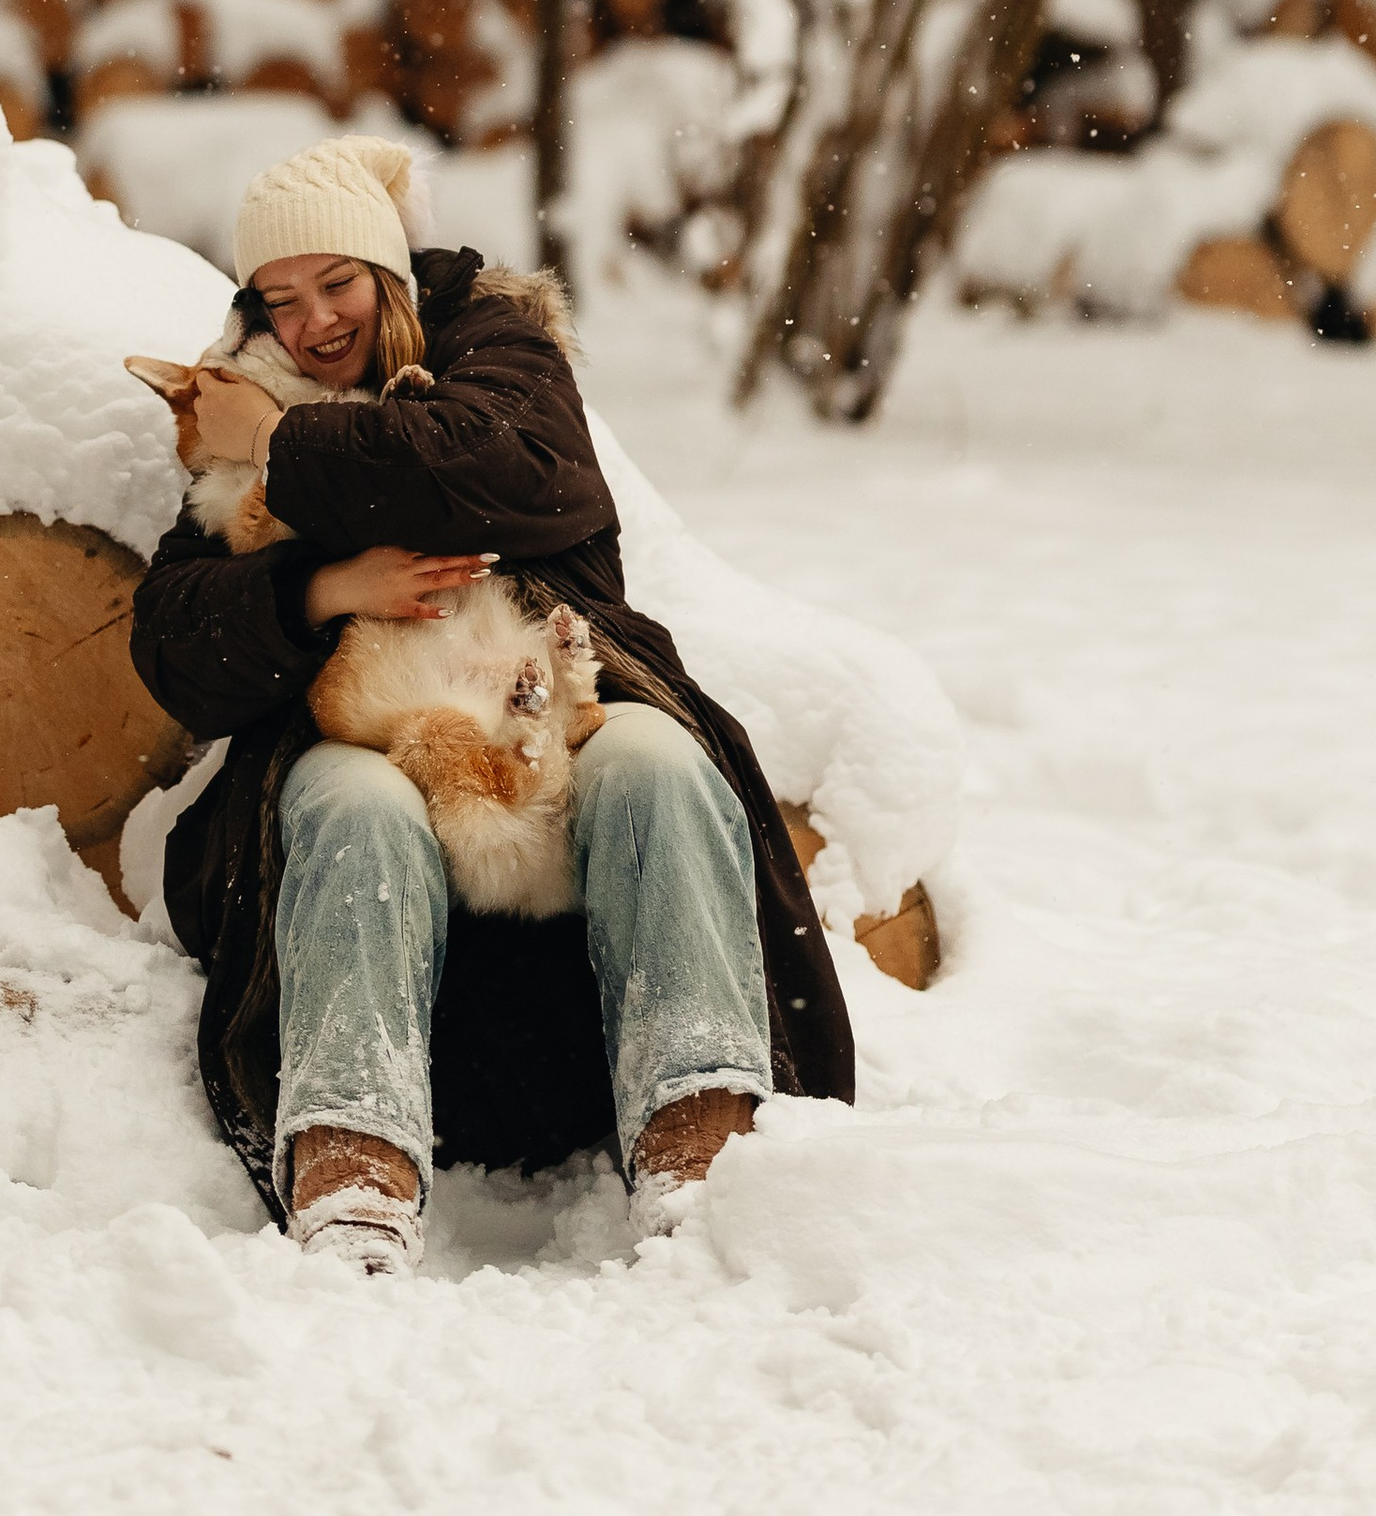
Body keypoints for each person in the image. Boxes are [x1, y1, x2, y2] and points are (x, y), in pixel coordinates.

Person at [128, 134, 854, 1271]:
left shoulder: (493, 346)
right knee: (350, 807)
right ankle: (351, 1162)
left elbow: (507, 468)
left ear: (389, 274)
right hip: (373, 727)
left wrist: (281, 444)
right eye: (280, 299)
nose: (313, 322)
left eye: (337, 284)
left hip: (546, 697)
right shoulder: (246, 393)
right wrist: (318, 588)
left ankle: (700, 1139)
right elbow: (175, 640)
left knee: (660, 771)